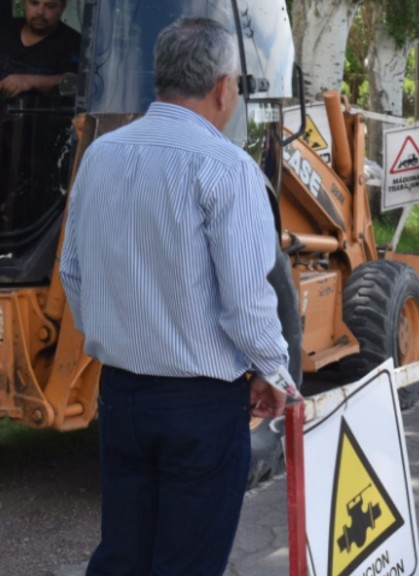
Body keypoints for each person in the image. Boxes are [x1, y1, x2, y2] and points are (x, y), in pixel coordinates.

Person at [60, 17, 297, 576]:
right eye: (236, 85)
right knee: (186, 560)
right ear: (221, 86)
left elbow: (74, 271)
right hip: (200, 403)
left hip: (120, 393)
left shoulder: (100, 155)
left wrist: (115, 334)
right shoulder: (227, 167)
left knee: (123, 551)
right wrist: (273, 370)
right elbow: (246, 297)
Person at [0, 0, 81, 97]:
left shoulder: (73, 42)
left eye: (50, 6)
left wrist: (31, 81)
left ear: (62, 8)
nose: (40, 12)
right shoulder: (5, 29)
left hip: (41, 110)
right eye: (34, 3)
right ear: (24, 4)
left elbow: (74, 82)